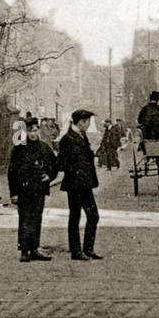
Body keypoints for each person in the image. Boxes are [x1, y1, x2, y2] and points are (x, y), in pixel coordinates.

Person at [9, 117, 58, 262]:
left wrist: (49, 176)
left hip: (39, 189)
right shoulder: (19, 149)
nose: (32, 134)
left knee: (37, 219)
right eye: (29, 131)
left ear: (38, 131)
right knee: (24, 219)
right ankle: (24, 250)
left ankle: (35, 249)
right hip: (23, 190)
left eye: (35, 130)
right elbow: (12, 172)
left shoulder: (44, 147)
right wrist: (14, 193)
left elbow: (55, 165)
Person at [58, 109, 101, 261]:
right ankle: (76, 251)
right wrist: (76, 172)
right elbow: (62, 163)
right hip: (75, 184)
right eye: (86, 121)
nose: (88, 124)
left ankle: (88, 249)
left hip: (85, 184)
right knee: (75, 216)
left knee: (93, 216)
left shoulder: (82, 136)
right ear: (80, 122)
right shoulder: (68, 139)